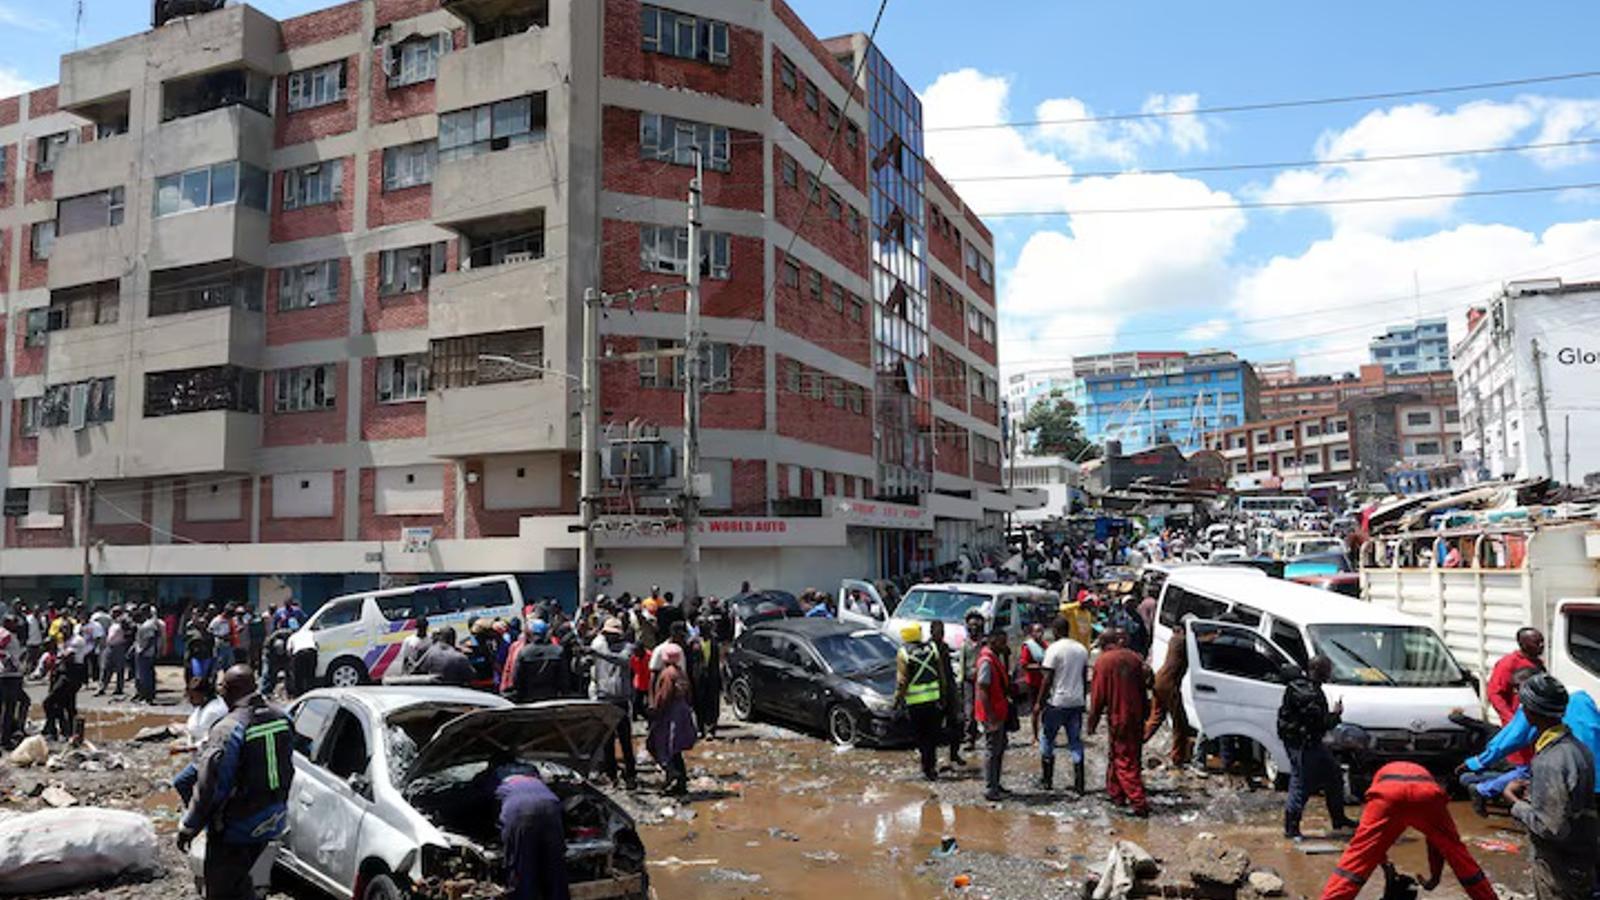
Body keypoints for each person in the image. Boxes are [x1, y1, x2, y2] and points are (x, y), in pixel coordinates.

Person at [1321, 737, 1497, 900]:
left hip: (1388, 795)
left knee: (1358, 856)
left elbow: (1372, 844)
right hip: (1427, 795)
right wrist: (1434, 878)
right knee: (1457, 853)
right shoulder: (1422, 775)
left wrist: (1384, 864)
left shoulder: (1380, 777)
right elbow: (1437, 843)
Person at [178, 665, 294, 900]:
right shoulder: (282, 717)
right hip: (272, 818)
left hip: (236, 827)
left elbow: (211, 786)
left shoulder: (229, 728)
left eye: (224, 688)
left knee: (222, 890)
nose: (221, 693)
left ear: (231, 691)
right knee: (241, 881)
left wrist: (189, 826)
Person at [1506, 674, 1597, 899]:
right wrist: (1536, 789)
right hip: (1582, 857)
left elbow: (1550, 827)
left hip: (1560, 866)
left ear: (1529, 711)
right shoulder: (1577, 748)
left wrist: (1515, 803)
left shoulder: (1551, 760)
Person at [1277, 655, 1356, 839]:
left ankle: (1338, 819)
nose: (1330, 673)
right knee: (1301, 783)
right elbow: (1321, 723)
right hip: (1302, 745)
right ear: (1320, 671)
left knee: (1334, 775)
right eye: (1327, 669)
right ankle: (1291, 828)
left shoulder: (1303, 687)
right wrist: (1336, 715)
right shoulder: (1309, 693)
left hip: (1310, 742)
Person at [1087, 629, 1151, 817]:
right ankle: (1116, 793)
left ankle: (1139, 802)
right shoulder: (1134, 657)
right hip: (1136, 714)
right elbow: (1145, 686)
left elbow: (1098, 696)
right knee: (1127, 755)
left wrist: (1092, 721)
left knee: (1123, 759)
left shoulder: (1104, 662)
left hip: (1119, 717)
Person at [490, 767, 573, 900]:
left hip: (519, 811)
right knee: (556, 872)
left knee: (522, 871)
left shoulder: (493, 778)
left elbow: (480, 803)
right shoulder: (534, 778)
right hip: (551, 806)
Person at [1038, 616, 1089, 793]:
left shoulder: (1053, 649)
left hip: (1057, 702)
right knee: (1075, 741)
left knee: (1047, 738)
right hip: (1076, 702)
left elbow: (1047, 679)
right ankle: (1080, 784)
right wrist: (1083, 700)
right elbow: (1083, 677)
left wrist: (1039, 703)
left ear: (1055, 631)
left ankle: (1047, 781)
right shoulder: (1081, 649)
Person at [588, 617, 638, 789]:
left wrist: (597, 654)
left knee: (625, 739)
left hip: (621, 699)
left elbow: (622, 660)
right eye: (608, 634)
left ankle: (631, 775)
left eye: (614, 634)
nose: (611, 638)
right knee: (607, 741)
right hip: (603, 697)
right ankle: (611, 775)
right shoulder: (598, 644)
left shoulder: (627, 647)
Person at [894, 624, 947, 781]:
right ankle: (932, 767)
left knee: (921, 737)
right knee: (932, 736)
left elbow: (902, 681)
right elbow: (941, 676)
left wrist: (896, 701)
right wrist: (943, 697)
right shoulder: (932, 648)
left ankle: (927, 768)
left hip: (915, 704)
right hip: (933, 701)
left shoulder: (903, 652)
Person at [1142, 620, 1195, 768]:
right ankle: (1178, 757)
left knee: (1156, 717)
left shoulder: (1175, 639)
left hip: (1160, 681)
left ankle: (1136, 742)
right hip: (1169, 685)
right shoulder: (1180, 641)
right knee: (1180, 723)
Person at [648, 642, 696, 795]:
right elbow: (689, 693)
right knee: (675, 749)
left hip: (670, 712)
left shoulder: (667, 674)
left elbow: (664, 696)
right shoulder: (681, 672)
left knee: (662, 745)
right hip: (682, 711)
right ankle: (680, 782)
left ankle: (673, 777)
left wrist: (655, 710)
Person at [172, 676, 229, 804]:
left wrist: (184, 749)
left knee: (181, 782)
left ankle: (196, 812)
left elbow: (210, 740)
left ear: (203, 694)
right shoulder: (204, 705)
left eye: (192, 697)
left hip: (210, 760)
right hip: (200, 758)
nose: (190, 700)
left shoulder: (214, 711)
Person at [974, 628, 1012, 801]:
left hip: (998, 711)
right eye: (1002, 642)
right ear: (993, 641)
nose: (1005, 645)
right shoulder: (987, 661)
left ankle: (996, 783)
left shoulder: (995, 658)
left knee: (1000, 747)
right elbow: (982, 688)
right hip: (992, 714)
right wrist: (990, 717)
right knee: (992, 749)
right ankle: (990, 787)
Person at [927, 620, 966, 768]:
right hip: (934, 692)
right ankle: (933, 762)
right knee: (934, 728)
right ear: (932, 632)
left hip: (949, 689)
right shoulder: (928, 649)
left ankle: (954, 754)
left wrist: (954, 689)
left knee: (956, 723)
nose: (940, 635)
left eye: (942, 632)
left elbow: (948, 670)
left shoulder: (944, 647)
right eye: (938, 632)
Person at [1487, 627, 1545, 724]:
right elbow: (1495, 694)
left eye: (1542, 641)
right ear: (1523, 644)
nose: (1542, 645)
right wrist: (1510, 719)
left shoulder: (1538, 664)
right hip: (1518, 721)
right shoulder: (1508, 663)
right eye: (1537, 642)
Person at [510, 620, 567, 702]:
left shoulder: (524, 652)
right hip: (552, 697)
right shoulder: (558, 651)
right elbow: (564, 679)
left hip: (529, 698)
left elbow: (517, 679)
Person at [688, 615, 722, 739]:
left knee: (712, 703)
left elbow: (719, 659)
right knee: (699, 703)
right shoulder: (693, 642)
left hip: (712, 677)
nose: (704, 628)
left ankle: (711, 730)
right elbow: (689, 661)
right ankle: (700, 728)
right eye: (701, 625)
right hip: (698, 678)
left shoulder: (715, 640)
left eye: (706, 625)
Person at [958, 611, 986, 752]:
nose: (973, 628)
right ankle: (970, 739)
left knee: (986, 710)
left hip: (985, 682)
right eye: (971, 625)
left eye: (976, 625)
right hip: (969, 682)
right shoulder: (965, 644)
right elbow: (962, 664)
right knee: (969, 712)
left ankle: (990, 737)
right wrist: (960, 682)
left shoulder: (985, 643)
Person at [97, 608, 129, 697]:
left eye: (114, 612)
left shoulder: (123, 622)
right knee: (106, 667)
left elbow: (128, 633)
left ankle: (119, 688)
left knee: (119, 669)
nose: (112, 614)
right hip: (109, 646)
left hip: (119, 647)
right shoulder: (112, 623)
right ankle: (102, 688)